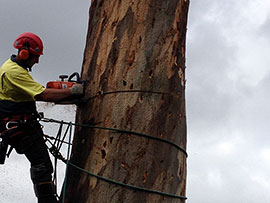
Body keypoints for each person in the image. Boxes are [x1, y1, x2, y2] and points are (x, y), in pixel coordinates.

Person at [0, 32, 84, 203]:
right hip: (20, 128)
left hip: (20, 125)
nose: (37, 61)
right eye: (36, 57)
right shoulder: (14, 72)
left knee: (43, 164)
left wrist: (64, 93)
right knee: (42, 165)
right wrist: (71, 91)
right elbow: (44, 95)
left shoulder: (11, 66)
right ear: (25, 53)